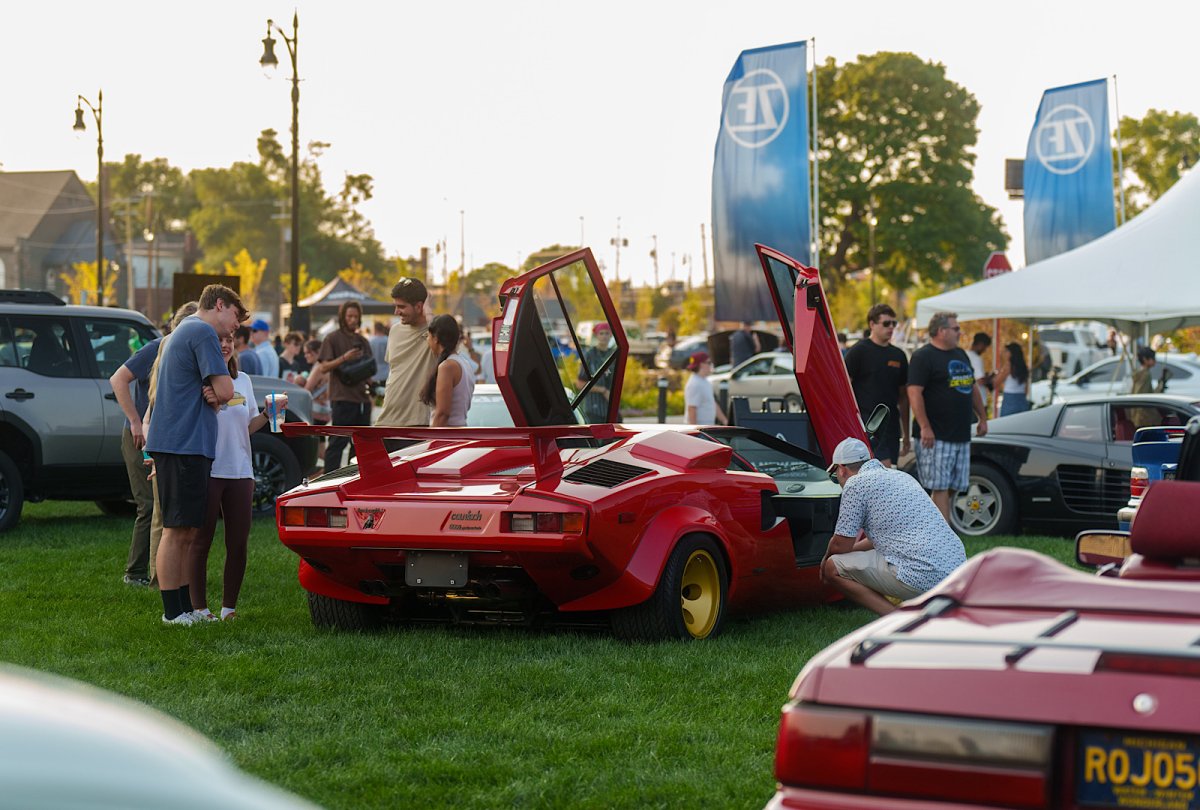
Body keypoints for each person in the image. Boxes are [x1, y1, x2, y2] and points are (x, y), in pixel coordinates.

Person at [144, 284, 245, 626]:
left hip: (182, 442)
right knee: (177, 529)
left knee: (186, 529)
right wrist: (218, 395)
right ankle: (173, 613)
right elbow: (228, 389)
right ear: (219, 305)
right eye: (235, 316)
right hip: (183, 444)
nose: (236, 325)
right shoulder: (201, 330)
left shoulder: (181, 330)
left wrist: (216, 395)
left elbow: (219, 392)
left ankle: (186, 608)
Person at [187, 331, 285, 622]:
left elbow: (247, 426)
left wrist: (268, 415)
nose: (226, 345)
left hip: (241, 471)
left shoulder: (243, 379)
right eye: (219, 340)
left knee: (238, 543)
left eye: (229, 339)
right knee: (201, 540)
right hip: (209, 470)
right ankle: (199, 608)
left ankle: (229, 608)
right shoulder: (198, 380)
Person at [820, 437, 966, 615]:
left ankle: (899, 620)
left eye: (835, 476)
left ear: (841, 469)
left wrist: (824, 560)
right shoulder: (901, 476)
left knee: (832, 567)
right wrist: (854, 550)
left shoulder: (855, 484)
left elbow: (841, 545)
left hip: (924, 574)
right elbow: (884, 538)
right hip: (958, 572)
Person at [109, 302, 198, 587]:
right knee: (148, 505)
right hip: (139, 435)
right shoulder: (157, 347)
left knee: (164, 509)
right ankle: (136, 573)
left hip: (165, 438)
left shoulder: (189, 351)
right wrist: (135, 422)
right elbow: (118, 379)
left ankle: (164, 573)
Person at [907, 311, 989, 524]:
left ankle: (929, 523)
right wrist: (925, 427)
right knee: (940, 486)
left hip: (961, 433)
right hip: (935, 436)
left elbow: (972, 388)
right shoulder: (923, 356)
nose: (960, 332)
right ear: (942, 331)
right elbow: (914, 392)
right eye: (956, 328)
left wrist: (983, 417)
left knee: (955, 484)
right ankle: (945, 537)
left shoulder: (960, 354)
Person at [842, 304, 910, 467]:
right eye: (886, 323)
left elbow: (903, 397)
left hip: (892, 425)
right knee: (882, 469)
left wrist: (906, 434)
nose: (891, 327)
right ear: (872, 324)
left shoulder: (898, 355)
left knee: (890, 471)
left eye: (894, 324)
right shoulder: (859, 351)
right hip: (868, 425)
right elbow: (844, 390)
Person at [317, 300, 374, 471]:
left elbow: (369, 369)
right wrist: (344, 358)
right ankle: (328, 482)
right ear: (343, 317)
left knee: (360, 446)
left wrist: (374, 388)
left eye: (356, 316)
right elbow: (323, 367)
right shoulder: (332, 338)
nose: (353, 320)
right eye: (349, 316)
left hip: (362, 400)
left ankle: (353, 478)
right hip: (342, 399)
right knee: (337, 443)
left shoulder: (363, 341)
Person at [377, 278, 437, 426]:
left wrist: (428, 310)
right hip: (386, 420)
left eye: (401, 307)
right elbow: (394, 372)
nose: (396, 312)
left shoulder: (434, 331)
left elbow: (445, 341)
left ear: (419, 306)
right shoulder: (395, 330)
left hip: (417, 424)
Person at [422, 314, 475, 426]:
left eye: (428, 336)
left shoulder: (447, 367)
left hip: (447, 435)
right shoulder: (463, 363)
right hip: (459, 432)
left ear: (435, 338)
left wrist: (432, 440)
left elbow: (443, 414)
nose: (427, 340)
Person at [578, 322, 617, 423]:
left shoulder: (613, 354)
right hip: (593, 409)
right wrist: (602, 390)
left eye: (606, 333)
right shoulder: (589, 355)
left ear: (611, 335)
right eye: (601, 333)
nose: (604, 336)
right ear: (596, 335)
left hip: (610, 409)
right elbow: (580, 384)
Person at [684, 351, 726, 425]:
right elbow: (692, 409)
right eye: (709, 362)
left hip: (706, 427)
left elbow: (712, 403)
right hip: (699, 429)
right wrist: (694, 432)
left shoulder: (705, 381)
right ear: (701, 364)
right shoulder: (695, 384)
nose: (711, 365)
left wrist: (724, 421)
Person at [995, 342, 1031, 416]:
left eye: (1006, 351)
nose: (1005, 354)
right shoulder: (1024, 367)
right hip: (1022, 400)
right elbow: (1026, 389)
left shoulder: (1008, 366)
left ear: (1011, 353)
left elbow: (996, 383)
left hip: (1010, 399)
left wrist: (999, 369)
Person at [302, 339, 331, 425]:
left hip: (316, 413)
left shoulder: (319, 368)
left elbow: (306, 391)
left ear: (318, 351)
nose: (305, 356)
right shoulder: (326, 365)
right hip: (325, 410)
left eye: (308, 352)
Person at [965, 332, 994, 415]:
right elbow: (980, 380)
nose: (985, 350)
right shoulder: (977, 358)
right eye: (985, 347)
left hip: (968, 400)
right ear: (981, 344)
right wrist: (989, 379)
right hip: (979, 402)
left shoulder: (964, 354)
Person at [369, 321, 390, 385]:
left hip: (374, 374)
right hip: (387, 373)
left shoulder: (370, 341)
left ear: (375, 329)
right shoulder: (388, 340)